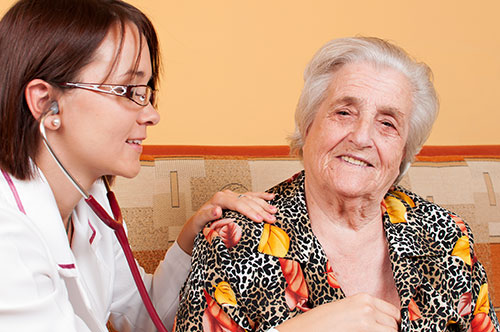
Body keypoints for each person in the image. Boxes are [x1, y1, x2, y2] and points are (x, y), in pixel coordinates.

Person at [175, 37, 500, 332]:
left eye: (387, 123)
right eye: (344, 112)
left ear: (404, 152)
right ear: (308, 125)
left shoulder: (447, 238)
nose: (361, 137)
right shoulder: (236, 240)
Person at [0, 0, 277, 331]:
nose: (152, 114)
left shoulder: (91, 203)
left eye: (145, 92)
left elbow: (144, 314)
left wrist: (192, 236)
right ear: (46, 103)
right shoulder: (7, 237)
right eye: (127, 90)